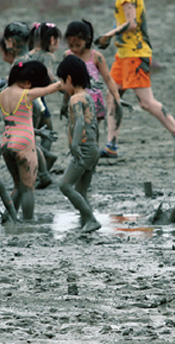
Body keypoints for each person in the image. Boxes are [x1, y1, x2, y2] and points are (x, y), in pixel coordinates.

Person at [96, 0, 175, 158]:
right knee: (113, 96)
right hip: (124, 54)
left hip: (135, 54)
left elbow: (131, 24)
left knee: (146, 102)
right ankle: (111, 146)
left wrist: (108, 35)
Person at [0, 61, 61, 221]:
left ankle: (8, 217)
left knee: (17, 185)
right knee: (28, 188)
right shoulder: (26, 95)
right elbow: (51, 89)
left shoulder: (2, 94)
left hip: (6, 141)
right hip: (24, 142)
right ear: (27, 82)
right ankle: (28, 221)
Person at [57, 55, 101, 233]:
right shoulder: (88, 97)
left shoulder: (75, 99)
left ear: (69, 78)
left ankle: (91, 219)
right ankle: (85, 222)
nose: (61, 86)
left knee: (65, 186)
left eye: (62, 81)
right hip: (93, 148)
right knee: (81, 190)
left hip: (83, 148)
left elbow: (80, 122)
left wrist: (75, 145)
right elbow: (95, 124)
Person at [64, 19, 122, 129]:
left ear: (87, 40)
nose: (74, 49)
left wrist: (117, 98)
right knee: (75, 130)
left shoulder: (96, 57)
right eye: (71, 45)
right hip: (75, 100)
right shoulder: (67, 55)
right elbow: (67, 80)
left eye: (78, 45)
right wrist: (64, 103)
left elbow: (108, 79)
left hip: (94, 102)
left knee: (91, 132)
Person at [29, 22, 62, 153]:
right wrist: (61, 85)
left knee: (30, 130)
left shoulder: (27, 55)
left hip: (23, 97)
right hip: (38, 99)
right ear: (52, 40)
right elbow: (49, 76)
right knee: (48, 132)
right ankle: (42, 161)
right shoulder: (47, 56)